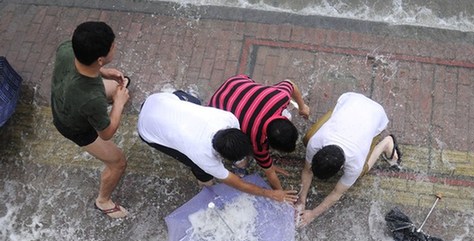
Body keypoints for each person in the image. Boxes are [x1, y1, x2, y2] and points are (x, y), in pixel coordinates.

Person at [137, 92, 298, 204]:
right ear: (222, 157)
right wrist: (271, 194)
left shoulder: (228, 118)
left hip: (160, 100)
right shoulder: (204, 157)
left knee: (195, 102)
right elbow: (238, 184)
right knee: (200, 170)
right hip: (147, 128)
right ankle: (205, 186)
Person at [51, 21, 130, 219]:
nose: (115, 46)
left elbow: (84, 67)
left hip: (64, 95)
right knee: (118, 162)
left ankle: (115, 92)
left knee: (116, 87)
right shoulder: (92, 98)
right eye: (113, 45)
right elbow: (106, 132)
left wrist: (102, 72)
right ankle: (103, 201)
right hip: (73, 125)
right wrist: (119, 104)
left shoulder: (67, 48)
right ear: (101, 59)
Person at [296, 92, 402, 227]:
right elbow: (307, 171)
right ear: (320, 151)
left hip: (377, 115)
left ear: (342, 168)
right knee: (307, 138)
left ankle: (386, 143)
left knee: (362, 172)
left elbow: (336, 193)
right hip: (350, 99)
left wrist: (313, 214)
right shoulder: (315, 142)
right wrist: (302, 199)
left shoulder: (355, 163)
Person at [208, 74, 310, 190]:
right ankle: (239, 162)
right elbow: (269, 173)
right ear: (267, 141)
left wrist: (302, 107)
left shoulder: (280, 97)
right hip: (216, 108)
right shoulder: (257, 142)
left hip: (236, 83)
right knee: (239, 151)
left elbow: (290, 83)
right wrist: (280, 193)